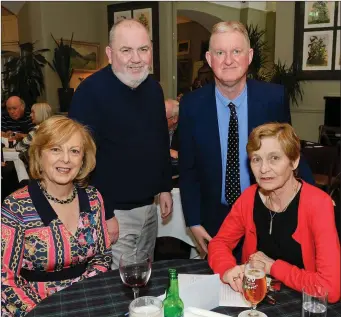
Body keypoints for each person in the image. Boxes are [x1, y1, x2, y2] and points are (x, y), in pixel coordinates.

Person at [178, 21, 314, 254]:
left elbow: (290, 154)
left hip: (266, 215)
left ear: (249, 56)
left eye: (236, 51)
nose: (228, 60)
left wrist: (315, 200)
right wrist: (193, 222)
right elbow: (188, 169)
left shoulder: (273, 98)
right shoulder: (191, 105)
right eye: (220, 53)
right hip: (214, 220)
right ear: (210, 59)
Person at [69, 19, 173, 269]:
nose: (136, 59)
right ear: (109, 54)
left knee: (143, 277)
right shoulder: (90, 92)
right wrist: (105, 213)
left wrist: (164, 186)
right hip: (113, 214)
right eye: (126, 50)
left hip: (150, 209)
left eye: (143, 49)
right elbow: (80, 160)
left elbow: (159, 140)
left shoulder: (154, 90)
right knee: (119, 286)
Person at [208, 122, 340, 303]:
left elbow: (329, 290)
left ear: (294, 161)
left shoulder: (318, 204)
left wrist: (273, 267)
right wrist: (227, 269)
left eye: (274, 158)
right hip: (258, 299)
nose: (263, 169)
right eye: (256, 159)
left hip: (303, 302)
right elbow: (219, 243)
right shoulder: (249, 198)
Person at [1, 116, 112, 316]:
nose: (66, 159)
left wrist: (83, 298)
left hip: (85, 303)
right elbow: (4, 278)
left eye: (75, 151)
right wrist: (47, 311)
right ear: (39, 154)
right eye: (55, 149)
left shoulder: (93, 198)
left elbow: (102, 256)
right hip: (34, 308)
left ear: (83, 159)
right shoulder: (16, 206)